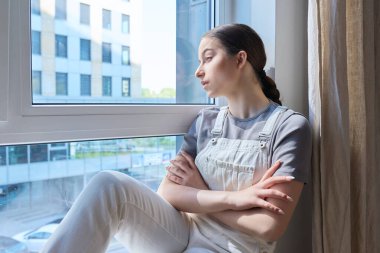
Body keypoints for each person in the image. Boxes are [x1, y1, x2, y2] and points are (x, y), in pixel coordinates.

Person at [42, 23, 311, 253]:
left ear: (240, 60)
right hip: (181, 229)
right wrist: (235, 199)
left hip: (233, 246)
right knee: (108, 185)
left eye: (207, 58)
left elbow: (269, 227)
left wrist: (199, 193)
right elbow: (168, 192)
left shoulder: (289, 127)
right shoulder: (206, 121)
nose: (198, 71)